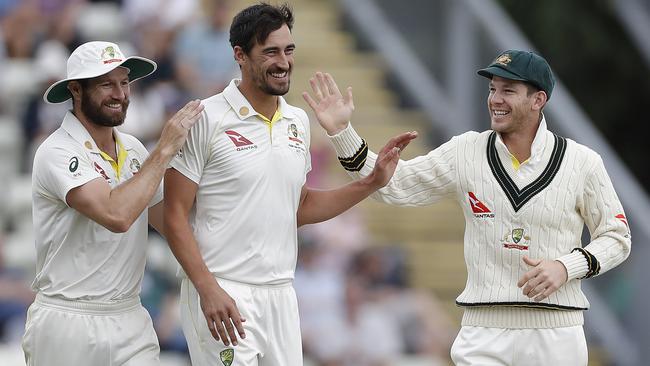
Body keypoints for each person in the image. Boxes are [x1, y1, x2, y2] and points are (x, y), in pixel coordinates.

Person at [303, 50, 632, 366]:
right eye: (492, 89)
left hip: (556, 330)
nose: (495, 99)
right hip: (483, 330)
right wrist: (342, 132)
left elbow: (617, 237)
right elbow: (394, 185)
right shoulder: (466, 151)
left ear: (538, 100)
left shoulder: (582, 162)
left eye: (508, 90)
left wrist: (565, 266)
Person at [163, 3, 409, 366]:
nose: (283, 62)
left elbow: (301, 206)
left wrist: (371, 182)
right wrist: (207, 288)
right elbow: (174, 215)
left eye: (288, 50)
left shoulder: (297, 120)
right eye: (270, 52)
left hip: (280, 293)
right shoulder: (205, 118)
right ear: (240, 55)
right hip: (222, 289)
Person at [22, 40, 204, 365]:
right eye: (107, 84)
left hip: (130, 317)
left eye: (124, 83)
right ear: (76, 90)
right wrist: (164, 150)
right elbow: (116, 215)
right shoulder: (56, 151)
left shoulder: (134, 149)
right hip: (67, 320)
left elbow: (174, 223)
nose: (120, 94)